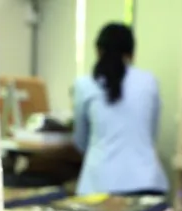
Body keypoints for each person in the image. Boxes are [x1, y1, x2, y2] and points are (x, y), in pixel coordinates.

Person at [72, 23, 169, 195]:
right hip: (147, 184)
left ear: (98, 51)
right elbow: (151, 135)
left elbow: (80, 141)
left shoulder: (84, 84)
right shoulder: (149, 81)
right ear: (132, 53)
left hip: (99, 187)